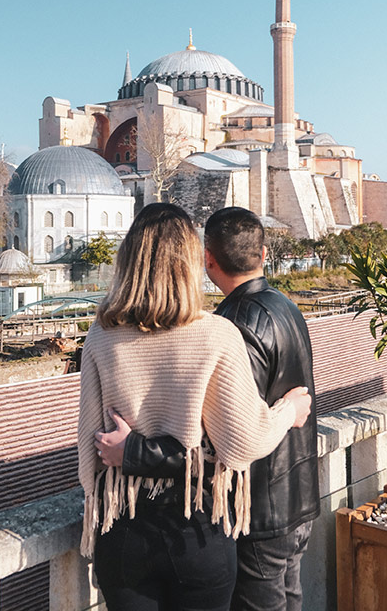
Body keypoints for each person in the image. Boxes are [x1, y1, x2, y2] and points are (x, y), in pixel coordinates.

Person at [78, 203, 312, 611]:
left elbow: (90, 446)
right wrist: (287, 413)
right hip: (196, 528)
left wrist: (128, 451)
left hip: (123, 527)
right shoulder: (217, 335)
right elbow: (242, 442)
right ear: (191, 262)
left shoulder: (100, 336)